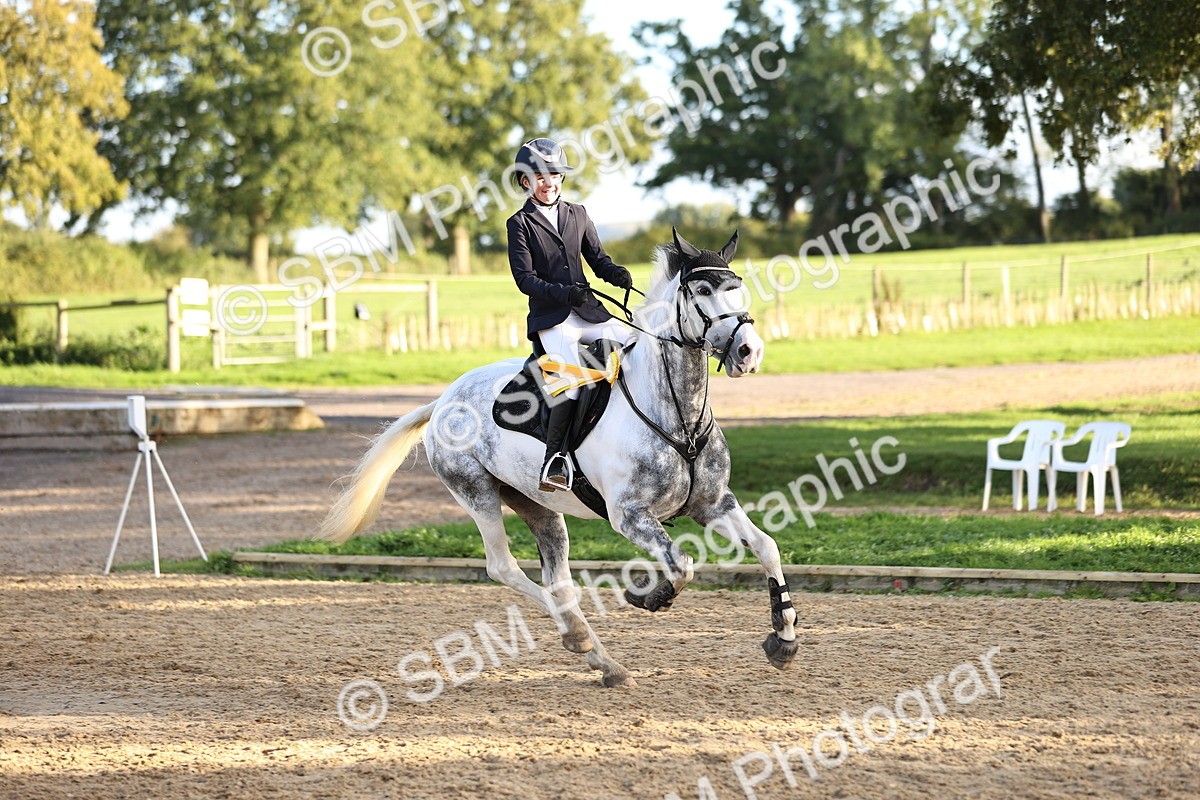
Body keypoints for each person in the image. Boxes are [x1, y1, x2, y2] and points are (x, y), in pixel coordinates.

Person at [506, 137, 634, 493]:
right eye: (540, 177)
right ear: (526, 181)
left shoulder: (578, 213)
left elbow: (598, 260)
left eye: (555, 176)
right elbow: (525, 279)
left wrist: (615, 273)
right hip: (552, 318)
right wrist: (564, 293)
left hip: (588, 311)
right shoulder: (520, 223)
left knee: (636, 348)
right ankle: (556, 459)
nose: (549, 183)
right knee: (571, 379)